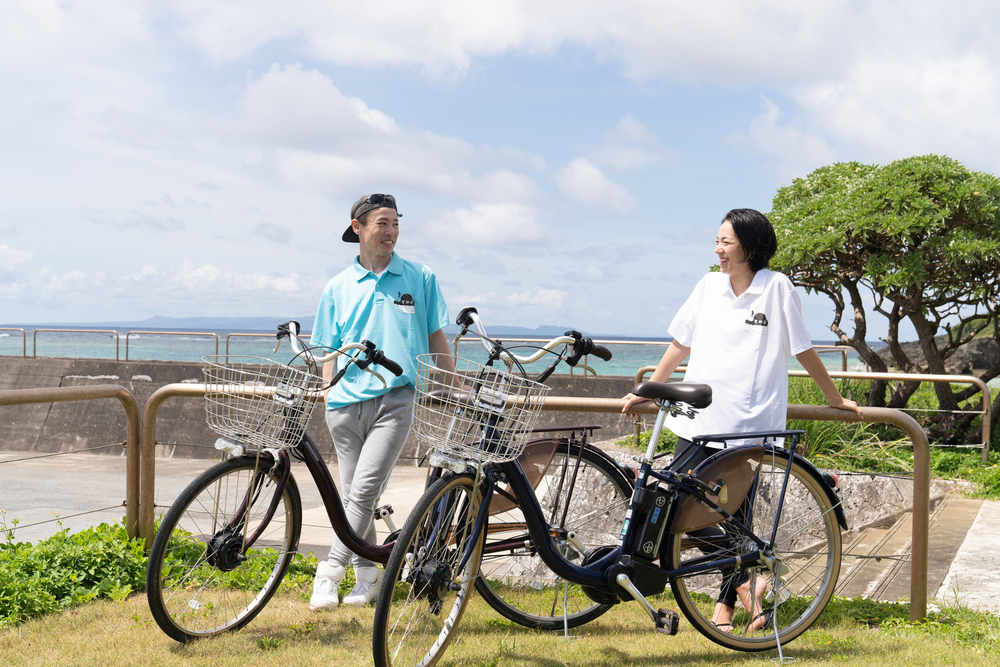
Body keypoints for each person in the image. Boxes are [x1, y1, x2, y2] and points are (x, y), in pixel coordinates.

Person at [621, 208, 861, 631]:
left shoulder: (777, 287)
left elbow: (802, 349)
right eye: (716, 241)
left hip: (749, 427)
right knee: (681, 516)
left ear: (751, 247)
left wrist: (835, 398)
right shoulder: (709, 285)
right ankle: (752, 582)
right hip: (696, 423)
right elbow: (681, 343)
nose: (718, 249)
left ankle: (725, 608)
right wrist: (647, 388)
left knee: (736, 522)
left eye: (726, 242)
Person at [309, 193, 456, 610]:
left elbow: (434, 335)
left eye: (395, 223)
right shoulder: (337, 286)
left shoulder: (419, 276)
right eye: (382, 224)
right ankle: (368, 575)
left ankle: (330, 571)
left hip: (396, 399)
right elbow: (328, 350)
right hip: (343, 404)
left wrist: (455, 384)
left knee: (365, 489)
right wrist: (328, 396)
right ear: (358, 227)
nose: (390, 232)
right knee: (357, 494)